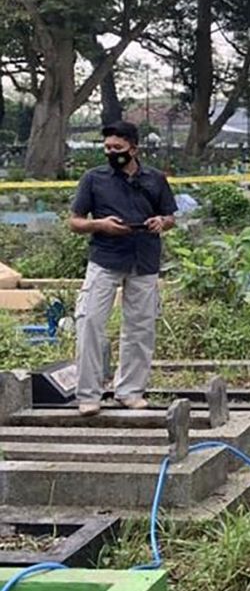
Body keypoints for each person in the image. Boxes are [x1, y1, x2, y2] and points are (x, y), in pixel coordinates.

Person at [69, 121, 178, 416]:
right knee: (90, 321)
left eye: (117, 148)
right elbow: (75, 221)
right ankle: (88, 394)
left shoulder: (155, 179)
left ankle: (129, 390)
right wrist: (99, 225)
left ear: (134, 148)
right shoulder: (94, 179)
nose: (111, 152)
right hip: (105, 256)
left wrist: (161, 222)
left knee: (140, 327)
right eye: (107, 148)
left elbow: (170, 216)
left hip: (144, 257)